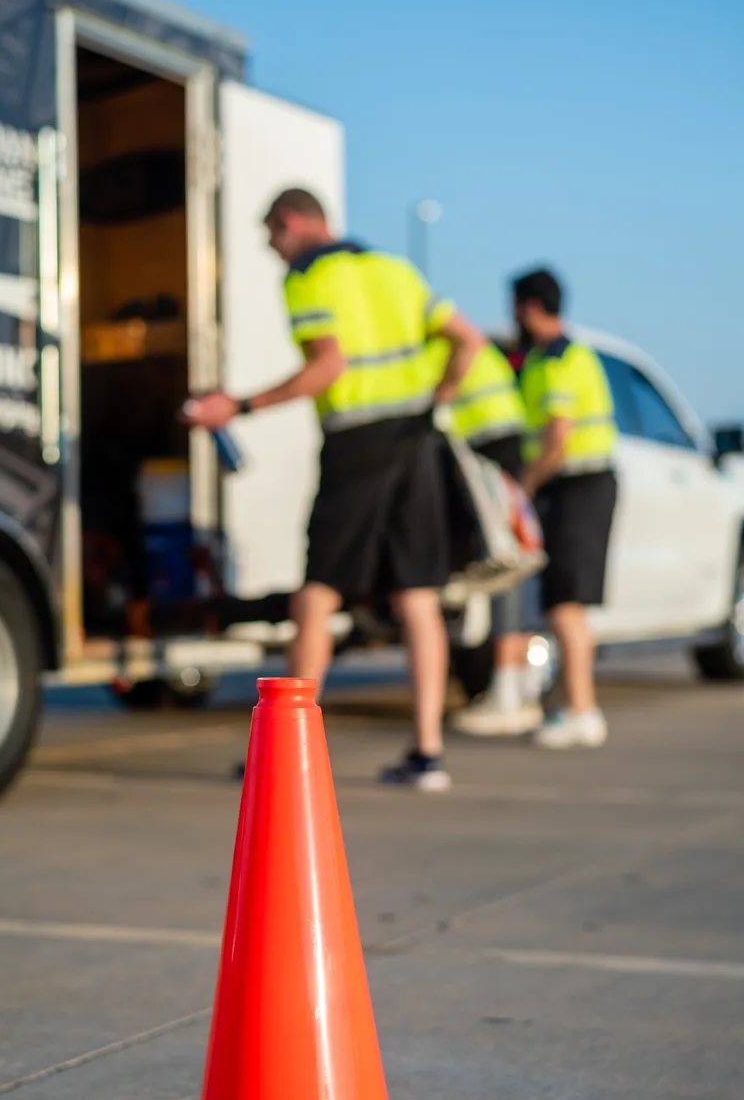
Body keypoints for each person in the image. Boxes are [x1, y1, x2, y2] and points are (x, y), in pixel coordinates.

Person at [183, 186, 484, 790]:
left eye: (272, 236)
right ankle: (427, 753)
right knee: (418, 599)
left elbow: (328, 367)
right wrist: (437, 399)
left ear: (292, 223)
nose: (274, 250)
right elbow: (468, 340)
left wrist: (238, 405)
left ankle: (285, 757)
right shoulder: (395, 271)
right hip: (416, 442)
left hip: (356, 448)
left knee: (317, 595)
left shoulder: (309, 278)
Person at [510, 267, 617, 748]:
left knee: (565, 605)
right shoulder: (561, 356)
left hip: (577, 485)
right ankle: (578, 705)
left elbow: (557, 436)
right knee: (566, 605)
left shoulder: (555, 360)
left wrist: (524, 486)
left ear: (529, 307)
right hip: (579, 485)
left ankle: (581, 710)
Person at [428, 337, 544, 735]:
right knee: (513, 566)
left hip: (488, 450)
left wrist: (439, 397)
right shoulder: (465, 343)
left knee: (506, 567)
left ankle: (509, 690)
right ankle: (518, 687)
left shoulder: (438, 339)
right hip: (497, 448)